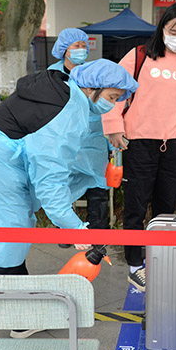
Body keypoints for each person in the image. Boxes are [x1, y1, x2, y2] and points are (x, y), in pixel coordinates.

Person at [0, 59, 138, 350]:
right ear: (93, 88)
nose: (111, 104)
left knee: (13, 248)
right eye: (112, 97)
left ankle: (22, 321)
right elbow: (51, 177)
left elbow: (84, 143)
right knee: (5, 252)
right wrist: (74, 227)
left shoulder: (68, 91)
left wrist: (105, 164)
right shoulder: (65, 110)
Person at [101, 2, 176, 292]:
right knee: (136, 205)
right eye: (174, 31)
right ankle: (135, 265)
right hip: (139, 141)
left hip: (174, 142)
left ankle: (159, 258)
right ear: (162, 28)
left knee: (166, 206)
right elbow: (114, 92)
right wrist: (113, 126)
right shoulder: (139, 55)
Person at [48, 28, 111, 234]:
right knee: (62, 186)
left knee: (98, 186)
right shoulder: (52, 75)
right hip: (63, 140)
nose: (81, 49)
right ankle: (67, 231)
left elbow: (105, 103)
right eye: (77, 46)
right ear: (64, 49)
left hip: (93, 138)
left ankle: (98, 233)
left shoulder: (93, 72)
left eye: (84, 45)